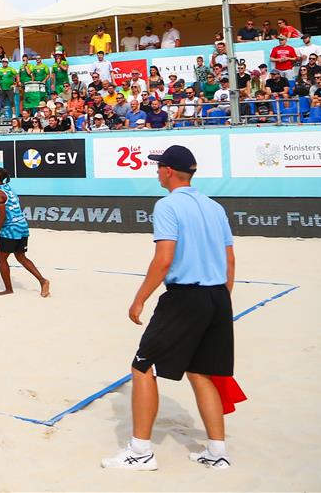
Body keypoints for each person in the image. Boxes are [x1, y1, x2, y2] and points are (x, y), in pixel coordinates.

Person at [102, 145, 236, 471]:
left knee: (142, 366)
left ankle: (140, 452)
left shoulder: (167, 205)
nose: (156, 171)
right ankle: (217, 452)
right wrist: (220, 301)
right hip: (218, 296)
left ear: (169, 171)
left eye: (158, 167)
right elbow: (230, 260)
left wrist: (139, 299)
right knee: (201, 372)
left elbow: (163, 259)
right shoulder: (214, 206)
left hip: (185, 297)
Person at [0, 168, 50, 298]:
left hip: (10, 229)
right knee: (21, 257)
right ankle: (43, 281)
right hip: (22, 226)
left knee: (1, 258)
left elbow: (2, 216)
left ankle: (8, 289)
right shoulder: (8, 188)